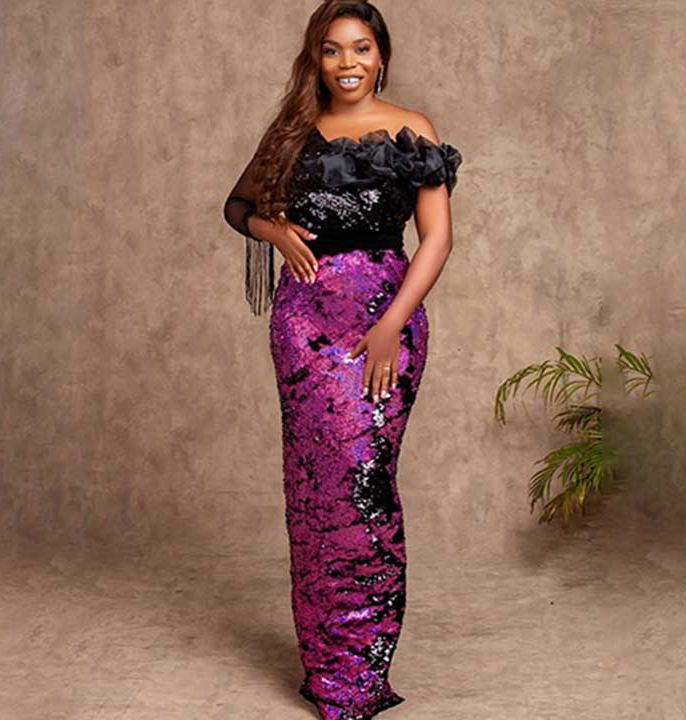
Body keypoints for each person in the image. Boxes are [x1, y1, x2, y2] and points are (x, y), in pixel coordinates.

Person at [222, 2, 462, 718]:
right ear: (316, 59)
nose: (347, 63)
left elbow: (437, 239)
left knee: (364, 483)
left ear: (381, 55)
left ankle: (362, 669)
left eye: (360, 48)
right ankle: (327, 668)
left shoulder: (412, 129)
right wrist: (274, 230)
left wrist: (391, 326)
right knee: (315, 490)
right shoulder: (293, 129)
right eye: (332, 50)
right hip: (304, 326)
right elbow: (236, 207)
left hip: (384, 318)